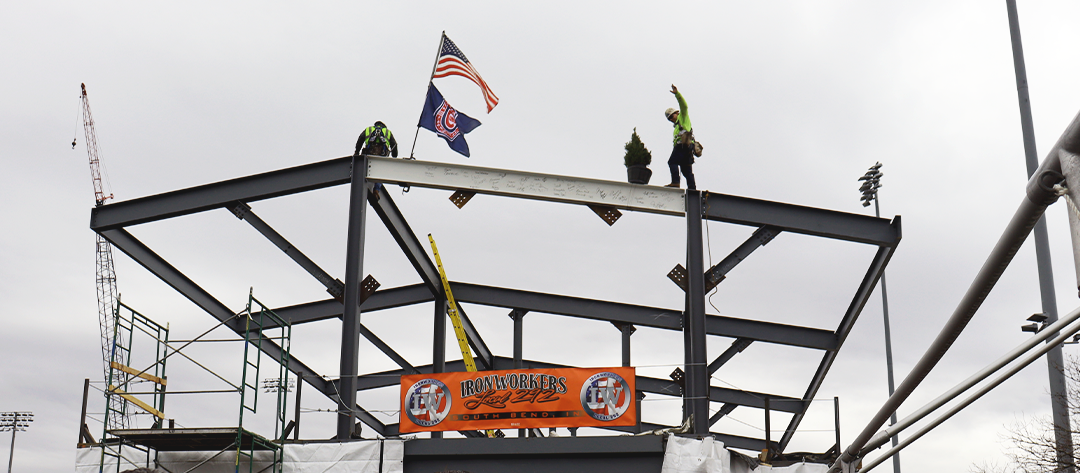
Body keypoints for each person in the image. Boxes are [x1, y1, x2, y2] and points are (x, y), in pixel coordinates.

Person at [664, 85, 696, 190]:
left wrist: (677, 94)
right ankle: (692, 190)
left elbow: (684, 106)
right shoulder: (676, 128)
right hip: (686, 147)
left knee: (672, 162)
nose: (671, 119)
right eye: (669, 119)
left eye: (671, 116)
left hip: (683, 145)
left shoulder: (683, 117)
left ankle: (675, 182)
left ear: (676, 113)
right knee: (686, 171)